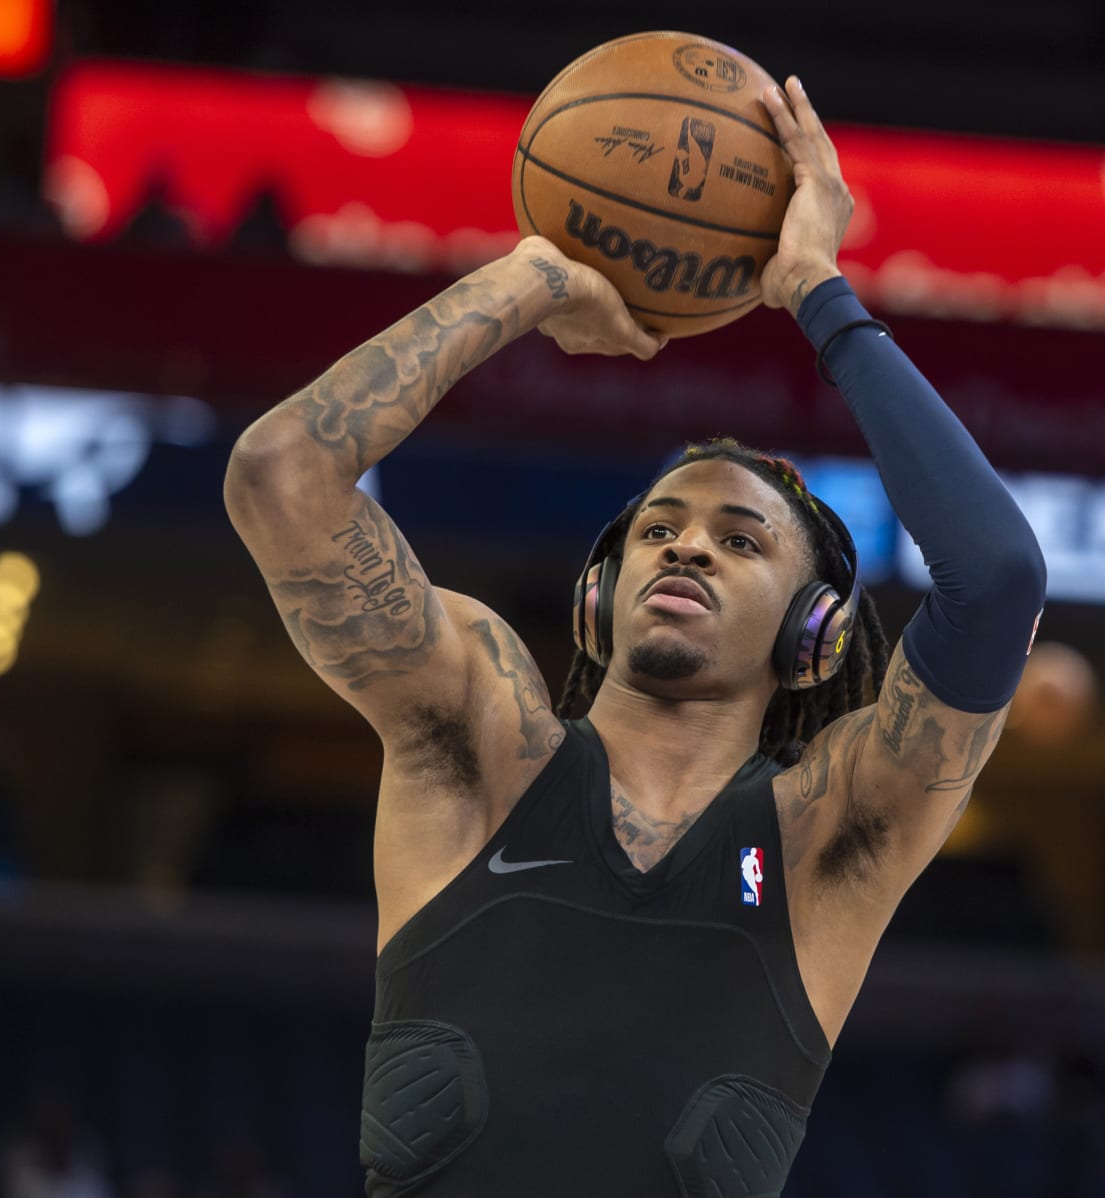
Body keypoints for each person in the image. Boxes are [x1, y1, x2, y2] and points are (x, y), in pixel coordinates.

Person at [224, 76, 1046, 1197]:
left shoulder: (827, 837)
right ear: (596, 595)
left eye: (742, 540)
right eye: (660, 527)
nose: (688, 547)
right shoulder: (481, 747)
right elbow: (282, 475)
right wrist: (527, 283)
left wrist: (817, 293)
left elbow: (996, 577)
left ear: (814, 632)